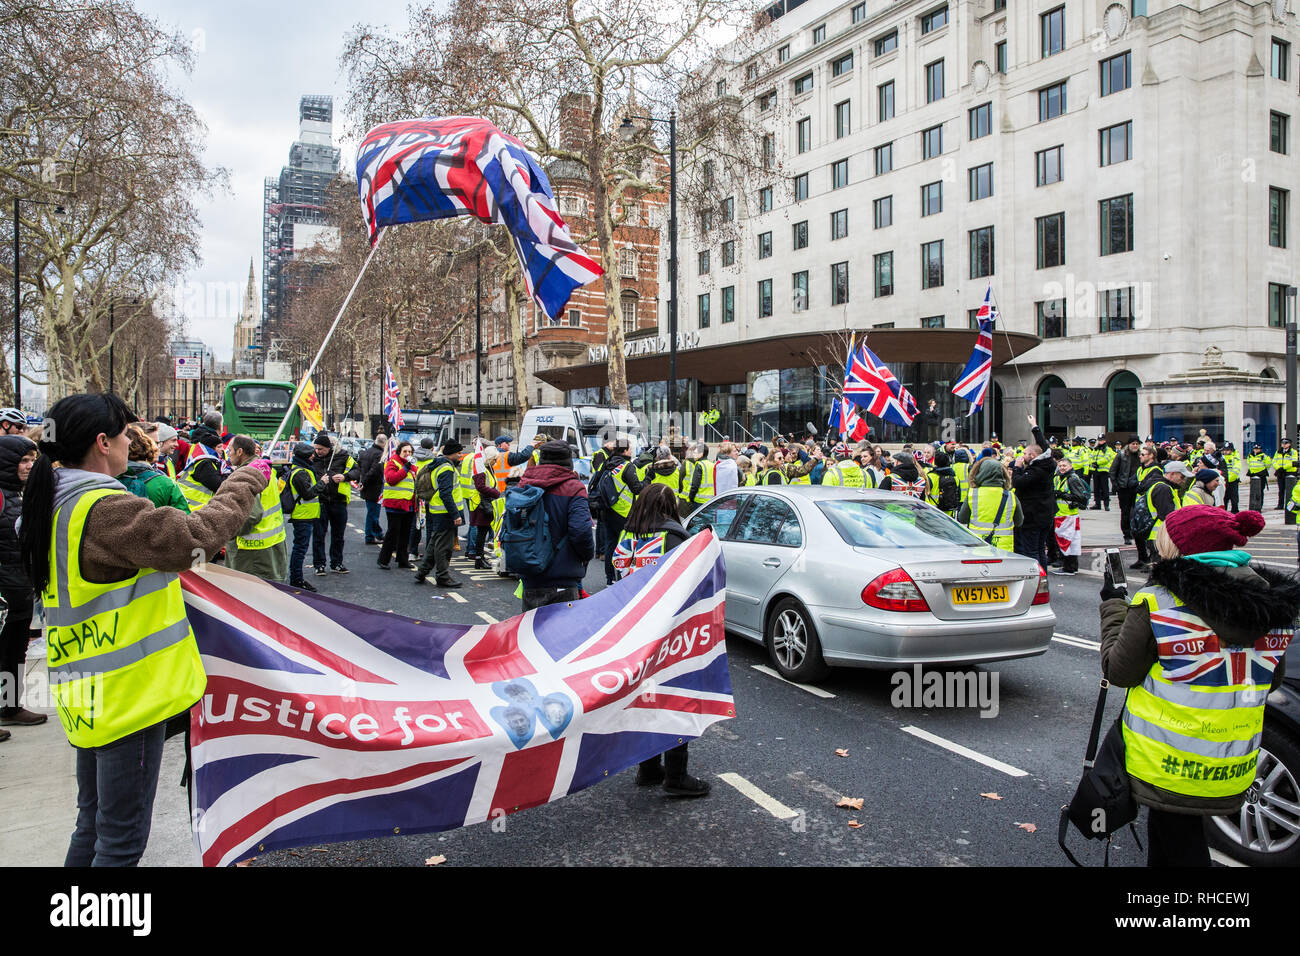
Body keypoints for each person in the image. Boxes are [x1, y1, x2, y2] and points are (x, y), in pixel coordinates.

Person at [18, 393, 267, 866]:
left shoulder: (54, 499)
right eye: (124, 436)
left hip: (87, 691)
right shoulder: (103, 508)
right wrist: (245, 481)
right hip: (128, 698)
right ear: (101, 443)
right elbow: (194, 541)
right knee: (121, 841)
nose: (132, 443)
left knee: (92, 826)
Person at [1099, 506, 1295, 866]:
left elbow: (1119, 671)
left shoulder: (1159, 602)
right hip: (1232, 762)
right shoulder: (1273, 607)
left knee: (1176, 844)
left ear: (1180, 548)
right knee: (1178, 841)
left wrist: (1113, 606)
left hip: (1167, 761)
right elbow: (1271, 678)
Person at [611, 482, 710, 798]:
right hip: (668, 633)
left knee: (646, 700)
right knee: (677, 699)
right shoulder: (673, 538)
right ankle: (677, 775)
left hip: (633, 631)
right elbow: (687, 585)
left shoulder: (628, 536)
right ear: (671, 509)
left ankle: (649, 768)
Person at [516, 440, 594, 610]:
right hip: (563, 574)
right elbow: (581, 530)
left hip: (530, 572)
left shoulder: (524, 485)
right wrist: (586, 556)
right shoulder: (574, 488)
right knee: (563, 633)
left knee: (532, 631)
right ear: (568, 461)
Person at [0, 434, 41, 735]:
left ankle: (10, 706)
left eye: (31, 460)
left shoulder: (19, 495)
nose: (28, 466)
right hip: (5, 592)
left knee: (15, 653)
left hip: (19, 591)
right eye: (22, 461)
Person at [225, 435, 288, 583]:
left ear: (240, 451)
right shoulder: (265, 468)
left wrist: (227, 533)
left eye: (229, 450)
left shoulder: (246, 473)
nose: (228, 454)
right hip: (273, 543)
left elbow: (251, 515)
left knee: (249, 597)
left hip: (253, 553)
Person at [595, 436, 647, 586]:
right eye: (630, 448)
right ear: (625, 450)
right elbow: (637, 488)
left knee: (610, 545)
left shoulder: (607, 463)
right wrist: (648, 479)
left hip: (606, 510)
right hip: (623, 512)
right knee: (626, 545)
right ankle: (623, 577)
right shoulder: (626, 466)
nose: (632, 451)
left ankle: (610, 579)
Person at [414, 440, 465, 587]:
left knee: (434, 543)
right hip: (445, 512)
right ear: (451, 453)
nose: (460, 456)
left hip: (437, 510)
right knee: (444, 547)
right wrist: (455, 514)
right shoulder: (446, 468)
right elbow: (446, 494)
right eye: (458, 453)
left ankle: (422, 572)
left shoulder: (440, 464)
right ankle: (443, 577)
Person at [1011, 416, 1056, 570]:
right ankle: (1043, 577)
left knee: (1032, 551)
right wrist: (1034, 426)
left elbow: (1017, 483)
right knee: (1040, 549)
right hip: (1046, 515)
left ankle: (1037, 579)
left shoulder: (1037, 470)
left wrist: (1017, 468)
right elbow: (1044, 446)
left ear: (1033, 456)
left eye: (1025, 454)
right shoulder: (1047, 463)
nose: (1022, 456)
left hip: (1034, 516)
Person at [311, 432, 358, 576]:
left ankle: (336, 563)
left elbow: (357, 470)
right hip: (320, 501)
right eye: (316, 448)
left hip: (339, 501)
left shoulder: (343, 456)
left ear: (328, 448)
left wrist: (346, 477)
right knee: (319, 535)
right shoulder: (313, 458)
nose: (318, 452)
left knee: (338, 535)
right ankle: (319, 564)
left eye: (321, 449)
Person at [116, 425, 189, 512]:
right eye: (155, 443)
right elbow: (184, 520)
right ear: (141, 443)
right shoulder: (165, 483)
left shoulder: (108, 479)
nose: (157, 447)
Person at [957, 455, 1021, 551]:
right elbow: (1019, 521)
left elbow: (962, 519)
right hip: (1003, 547)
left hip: (978, 545)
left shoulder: (973, 494)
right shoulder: (1010, 496)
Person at [284, 442, 325, 590]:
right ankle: (296, 579)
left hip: (306, 515)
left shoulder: (302, 470)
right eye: (310, 455)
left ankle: (297, 578)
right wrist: (322, 483)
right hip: (302, 516)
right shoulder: (301, 473)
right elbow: (308, 494)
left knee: (300, 548)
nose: (313, 456)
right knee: (300, 549)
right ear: (305, 457)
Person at [379, 440, 418, 570]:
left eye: (410, 452)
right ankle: (383, 560)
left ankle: (403, 560)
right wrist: (406, 467)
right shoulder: (392, 463)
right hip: (395, 504)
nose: (407, 454)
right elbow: (391, 479)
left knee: (405, 534)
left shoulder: (412, 465)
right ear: (399, 452)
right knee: (393, 533)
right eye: (405, 451)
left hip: (409, 504)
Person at [175, 412, 226, 511]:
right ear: (220, 426)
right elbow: (217, 483)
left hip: (193, 502)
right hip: (197, 505)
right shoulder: (207, 451)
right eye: (219, 447)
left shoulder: (198, 442)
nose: (222, 449)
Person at [1050, 454, 1090, 575]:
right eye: (1060, 465)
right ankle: (1069, 566)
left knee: (1069, 542)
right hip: (1061, 515)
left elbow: (1081, 497)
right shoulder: (1058, 477)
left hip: (1069, 515)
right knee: (1065, 542)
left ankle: (1069, 567)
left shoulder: (1072, 478)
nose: (1062, 468)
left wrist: (1062, 495)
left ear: (1070, 466)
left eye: (1064, 466)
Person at [467, 445, 502, 571]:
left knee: (483, 532)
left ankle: (479, 558)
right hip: (481, 505)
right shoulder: (482, 470)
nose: (496, 462)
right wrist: (497, 494)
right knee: (482, 532)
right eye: (494, 459)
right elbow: (480, 487)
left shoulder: (487, 468)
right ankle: (478, 558)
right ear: (489, 458)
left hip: (485, 503)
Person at [1131, 444, 1164, 570]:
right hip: (1139, 504)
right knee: (1136, 532)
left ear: (1151, 456)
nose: (1140, 456)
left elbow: (1143, 486)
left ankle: (1151, 561)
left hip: (1149, 507)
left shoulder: (1156, 470)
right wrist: (1138, 485)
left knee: (1148, 534)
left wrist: (1138, 485)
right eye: (1140, 454)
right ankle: (1142, 558)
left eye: (1143, 454)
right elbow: (1131, 483)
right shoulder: (1140, 469)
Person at [1109, 436, 1143, 545]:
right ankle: (1127, 535)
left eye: (1137, 444)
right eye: (1133, 443)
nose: (1135, 446)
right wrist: (1116, 485)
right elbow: (1112, 471)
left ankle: (1135, 532)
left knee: (1137, 511)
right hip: (1124, 488)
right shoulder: (1122, 455)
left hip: (1137, 488)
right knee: (1126, 512)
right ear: (1128, 444)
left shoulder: (1141, 455)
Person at [356, 434, 388, 544]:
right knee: (373, 513)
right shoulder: (379, 455)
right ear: (384, 443)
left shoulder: (367, 451)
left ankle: (377, 534)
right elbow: (374, 471)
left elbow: (360, 467)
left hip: (366, 486)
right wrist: (364, 482)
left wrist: (361, 481)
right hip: (374, 486)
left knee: (371, 512)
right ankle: (371, 536)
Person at [1090, 435, 1114, 510]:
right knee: (1096, 489)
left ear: (1105, 440)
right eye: (1099, 440)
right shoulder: (1096, 449)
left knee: (1105, 488)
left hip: (1103, 471)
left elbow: (1107, 458)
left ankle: (1106, 505)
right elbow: (1091, 457)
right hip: (1096, 471)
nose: (1100, 441)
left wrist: (1097, 463)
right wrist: (1093, 463)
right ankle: (1097, 504)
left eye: (1102, 440)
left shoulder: (1108, 449)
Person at [1221, 442, 1241, 513]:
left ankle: (1235, 512)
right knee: (1224, 498)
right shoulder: (1221, 457)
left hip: (1233, 481)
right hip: (1223, 481)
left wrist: (1228, 478)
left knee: (1234, 498)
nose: (1225, 452)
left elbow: (1236, 469)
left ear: (1232, 450)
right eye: (1224, 450)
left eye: (1228, 450)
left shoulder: (1235, 457)